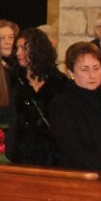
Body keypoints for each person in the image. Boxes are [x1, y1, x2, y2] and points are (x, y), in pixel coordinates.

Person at [48, 42, 101, 173]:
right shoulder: (62, 104)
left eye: (96, 68)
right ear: (71, 73)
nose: (92, 75)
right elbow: (73, 148)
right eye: (85, 69)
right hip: (80, 176)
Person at [10, 27, 69, 166]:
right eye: (17, 48)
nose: (18, 53)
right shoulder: (13, 80)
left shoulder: (60, 82)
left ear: (38, 49)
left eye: (24, 48)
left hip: (53, 156)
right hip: (20, 155)